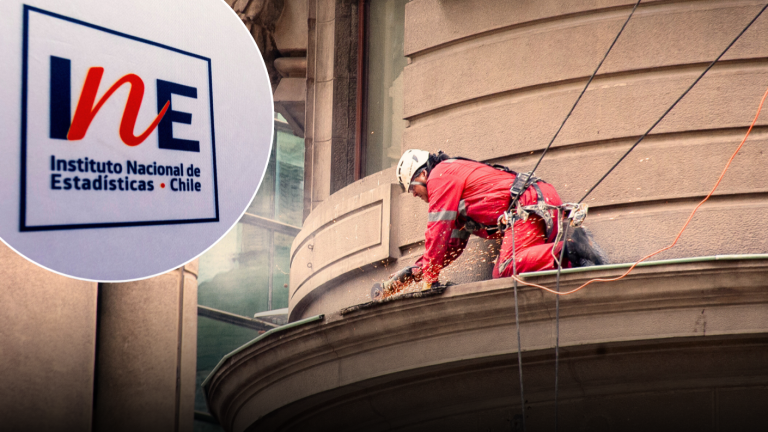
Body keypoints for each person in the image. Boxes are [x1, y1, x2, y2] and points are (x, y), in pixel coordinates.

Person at [388, 149, 606, 292]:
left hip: (527, 203)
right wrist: (414, 273)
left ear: (423, 175)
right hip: (538, 201)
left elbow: (438, 231)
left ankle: (574, 248)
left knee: (505, 268)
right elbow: (450, 246)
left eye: (412, 188)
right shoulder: (453, 186)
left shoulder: (440, 176)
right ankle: (575, 262)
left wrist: (430, 280)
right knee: (517, 270)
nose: (414, 195)